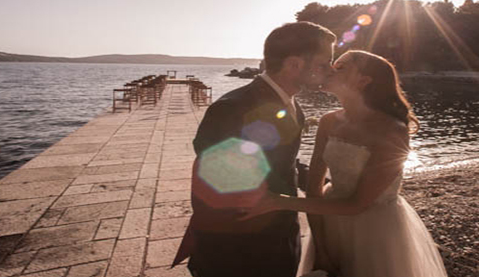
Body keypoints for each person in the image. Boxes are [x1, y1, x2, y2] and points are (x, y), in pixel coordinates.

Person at [242, 50, 448, 277]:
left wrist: (278, 202)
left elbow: (357, 204)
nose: (329, 70)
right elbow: (313, 188)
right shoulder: (328, 121)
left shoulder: (391, 130)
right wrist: (321, 247)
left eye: (341, 67)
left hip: (376, 231)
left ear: (363, 81)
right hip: (329, 221)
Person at [172, 21, 336, 277]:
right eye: (324, 63)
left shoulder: (292, 105)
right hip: (237, 253)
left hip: (280, 239)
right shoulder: (232, 108)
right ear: (294, 64)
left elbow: (282, 164)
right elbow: (217, 182)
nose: (330, 70)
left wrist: (327, 185)